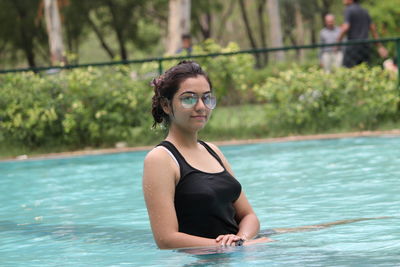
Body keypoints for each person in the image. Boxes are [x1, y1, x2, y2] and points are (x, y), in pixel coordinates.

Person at [142, 61, 270, 249]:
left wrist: (241, 240)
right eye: (189, 99)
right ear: (166, 105)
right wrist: (229, 247)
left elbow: (248, 216)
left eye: (207, 98)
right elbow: (166, 239)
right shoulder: (160, 159)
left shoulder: (213, 151)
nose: (201, 107)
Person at [337, 0, 388, 68]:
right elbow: (373, 29)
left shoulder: (348, 10)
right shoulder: (364, 11)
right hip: (365, 46)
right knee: (365, 69)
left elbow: (346, 27)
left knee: (349, 70)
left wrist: (338, 41)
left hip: (353, 46)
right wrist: (379, 46)